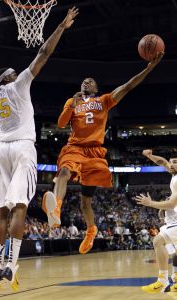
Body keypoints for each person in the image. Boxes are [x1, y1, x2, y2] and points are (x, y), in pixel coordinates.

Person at [0, 7, 78, 290]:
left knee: (0, 210)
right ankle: (11, 265)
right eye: (13, 72)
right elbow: (43, 54)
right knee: (20, 206)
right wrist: (61, 26)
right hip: (22, 148)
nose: (16, 71)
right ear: (9, 77)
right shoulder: (19, 84)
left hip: (1, 151)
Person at [42, 52, 164, 255]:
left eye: (90, 81)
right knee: (63, 172)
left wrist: (149, 68)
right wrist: (72, 103)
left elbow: (127, 86)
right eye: (83, 81)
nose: (86, 82)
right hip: (74, 148)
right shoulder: (72, 102)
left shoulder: (104, 100)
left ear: (96, 88)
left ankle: (91, 230)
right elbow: (62, 123)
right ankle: (56, 210)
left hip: (94, 153)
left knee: (85, 202)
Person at [136, 149, 177, 293]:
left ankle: (162, 281)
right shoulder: (174, 172)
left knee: (158, 241)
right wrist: (149, 156)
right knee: (174, 250)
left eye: (175, 162)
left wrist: (150, 203)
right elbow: (163, 162)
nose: (171, 165)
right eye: (171, 162)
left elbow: (171, 204)